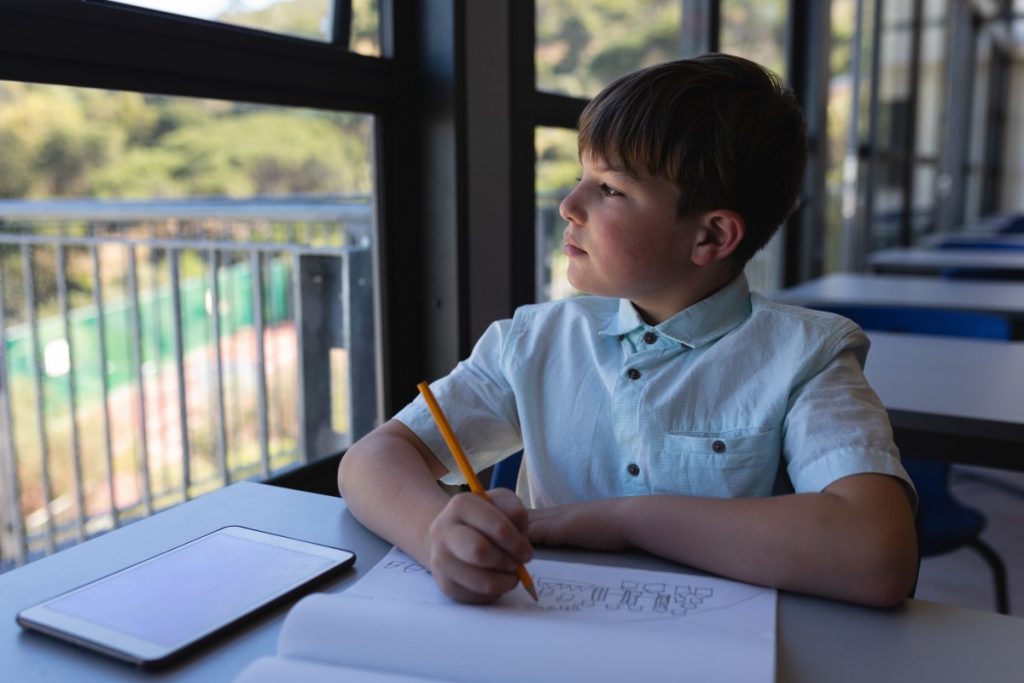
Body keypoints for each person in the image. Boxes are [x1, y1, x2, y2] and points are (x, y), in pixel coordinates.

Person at [338, 53, 918, 607]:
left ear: (712, 236)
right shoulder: (534, 342)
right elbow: (372, 460)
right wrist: (436, 534)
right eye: (581, 176)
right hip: (548, 635)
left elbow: (877, 551)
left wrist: (627, 520)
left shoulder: (807, 356)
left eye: (610, 189)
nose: (569, 204)